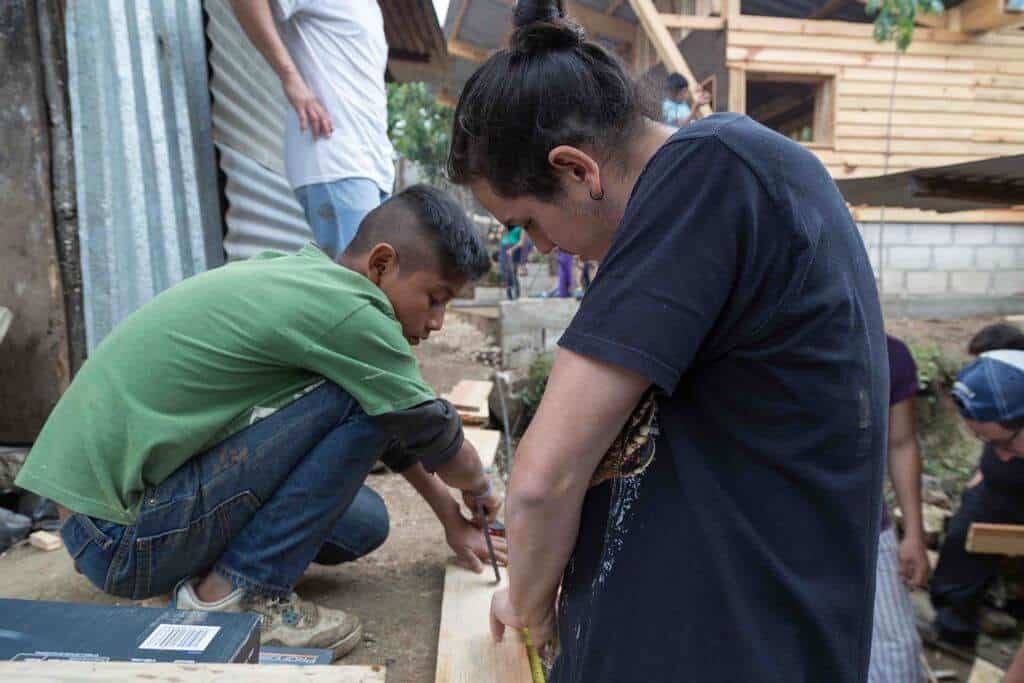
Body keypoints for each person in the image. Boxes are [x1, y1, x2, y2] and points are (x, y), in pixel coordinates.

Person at [447, 2, 888, 681]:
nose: (539, 247)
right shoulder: (726, 175)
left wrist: (528, 604)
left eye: (528, 221)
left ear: (577, 171)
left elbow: (543, 479)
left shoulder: (708, 175)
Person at [15, 186, 505, 660]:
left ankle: (201, 572)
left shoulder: (305, 278)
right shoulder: (355, 313)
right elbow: (430, 431)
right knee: (361, 399)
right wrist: (478, 487)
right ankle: (237, 595)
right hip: (122, 541)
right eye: (435, 298)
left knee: (364, 523)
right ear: (381, 265)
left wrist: (450, 517)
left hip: (98, 524)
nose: (437, 321)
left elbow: (396, 426)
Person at [230, 1, 394, 258]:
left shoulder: (370, 8)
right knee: (358, 278)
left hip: (374, 166)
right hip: (338, 159)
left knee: (370, 277)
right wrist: (290, 77)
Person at [929, 325, 1024, 651]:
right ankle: (954, 628)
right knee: (961, 542)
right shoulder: (1003, 418)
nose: (1002, 455)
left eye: (1004, 443)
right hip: (995, 492)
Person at [870, 336, 928, 683]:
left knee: (897, 655)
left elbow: (902, 443)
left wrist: (914, 535)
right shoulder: (761, 349)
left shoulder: (887, 354)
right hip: (774, 530)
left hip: (865, 527)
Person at [499, 225, 527, 300]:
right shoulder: (507, 223)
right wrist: (504, 226)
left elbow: (521, 242)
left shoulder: (521, 226)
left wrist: (512, 249)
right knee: (504, 270)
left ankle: (516, 292)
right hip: (504, 247)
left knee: (512, 271)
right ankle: (509, 290)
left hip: (515, 249)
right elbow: (500, 232)